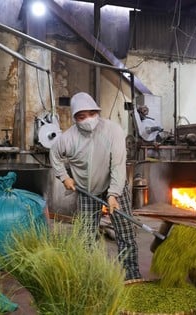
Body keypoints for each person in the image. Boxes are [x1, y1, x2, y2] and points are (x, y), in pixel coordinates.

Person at [49, 92, 142, 281]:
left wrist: (113, 194)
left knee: (125, 232)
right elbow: (55, 155)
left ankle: (131, 274)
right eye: (82, 116)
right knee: (86, 236)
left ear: (97, 112)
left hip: (113, 185)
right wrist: (64, 177)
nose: (88, 120)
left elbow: (118, 164)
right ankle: (89, 274)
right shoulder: (68, 138)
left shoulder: (112, 130)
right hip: (87, 191)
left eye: (91, 114)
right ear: (75, 118)